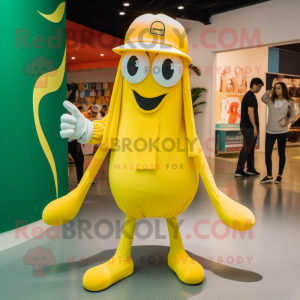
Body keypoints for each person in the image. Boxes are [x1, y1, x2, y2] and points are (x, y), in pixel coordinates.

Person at [260, 82, 296, 184]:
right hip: (270, 131)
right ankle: (269, 175)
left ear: (283, 89)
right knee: (267, 153)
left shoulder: (289, 101)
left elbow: (294, 115)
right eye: (275, 88)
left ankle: (279, 175)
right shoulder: (270, 100)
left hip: (282, 131)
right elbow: (263, 98)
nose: (276, 90)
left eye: (278, 88)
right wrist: (270, 90)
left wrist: (288, 121)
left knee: (281, 154)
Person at [235, 78, 264, 177]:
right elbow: (250, 113)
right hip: (248, 129)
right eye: (259, 86)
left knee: (250, 149)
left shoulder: (249, 95)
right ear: (254, 85)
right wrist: (255, 127)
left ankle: (250, 168)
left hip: (246, 128)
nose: (260, 89)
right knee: (246, 149)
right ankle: (239, 170)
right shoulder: (251, 97)